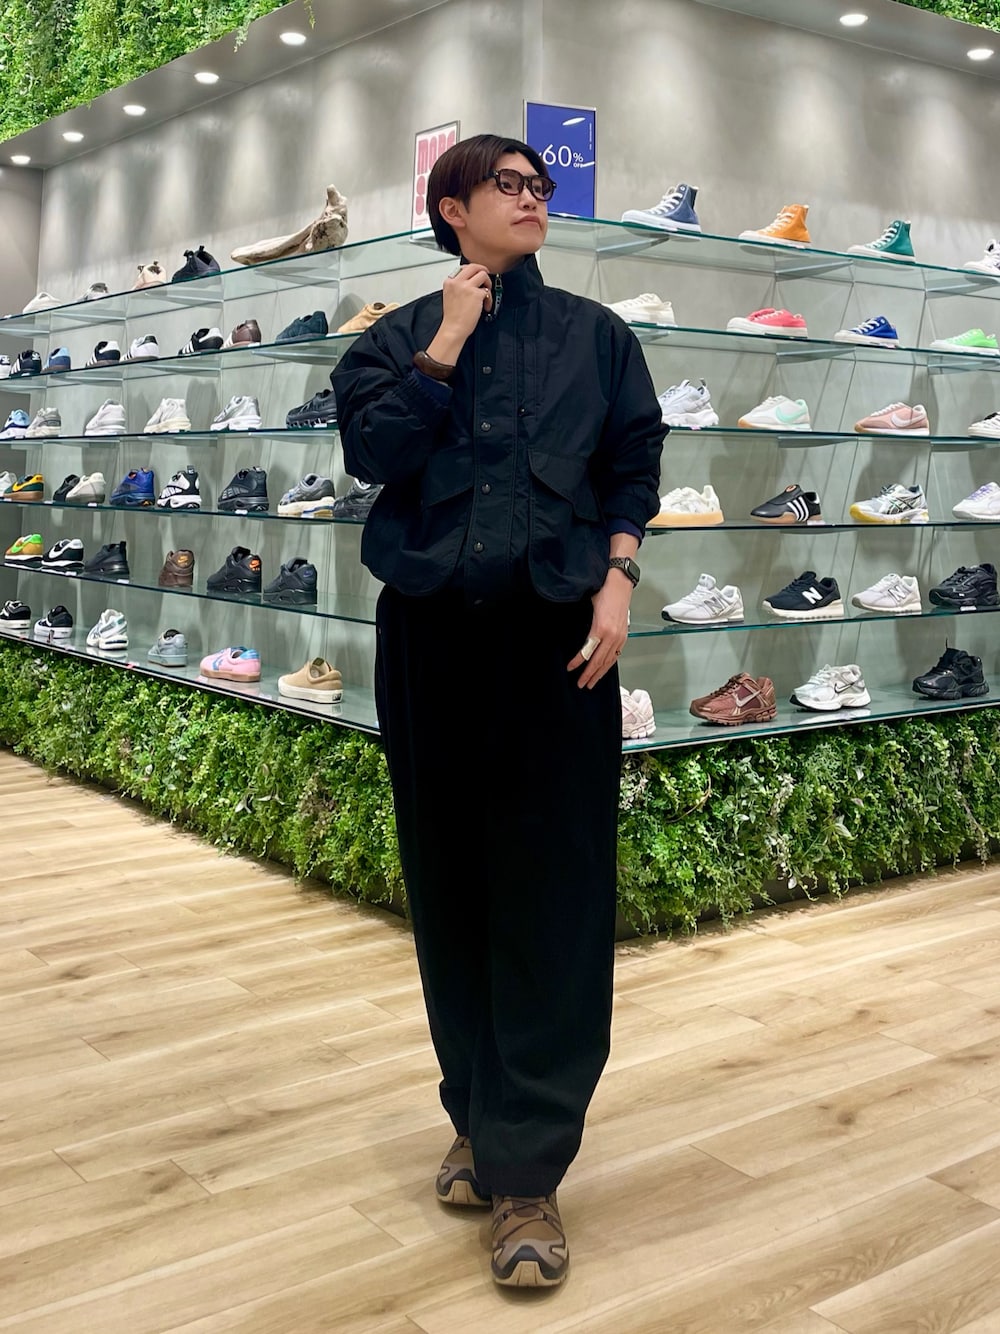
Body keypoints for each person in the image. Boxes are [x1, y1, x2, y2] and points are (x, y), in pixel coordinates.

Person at [332, 133, 665, 1289]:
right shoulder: (390, 342)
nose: (533, 199)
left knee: (555, 894)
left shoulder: (597, 336)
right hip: (430, 639)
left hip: (557, 644)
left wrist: (619, 577)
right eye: (509, 186)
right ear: (452, 208)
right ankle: (476, 1114)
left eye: (540, 185)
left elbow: (633, 461)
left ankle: (527, 1169)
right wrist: (446, 343)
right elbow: (372, 452)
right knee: (450, 885)